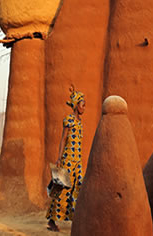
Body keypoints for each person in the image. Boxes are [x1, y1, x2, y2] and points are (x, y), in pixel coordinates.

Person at [46, 87, 85, 232]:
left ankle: (76, 220)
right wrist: (59, 158)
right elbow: (63, 139)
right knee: (62, 189)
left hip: (77, 161)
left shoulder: (80, 122)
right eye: (82, 104)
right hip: (67, 159)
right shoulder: (68, 120)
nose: (83, 107)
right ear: (75, 105)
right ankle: (52, 220)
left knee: (77, 187)